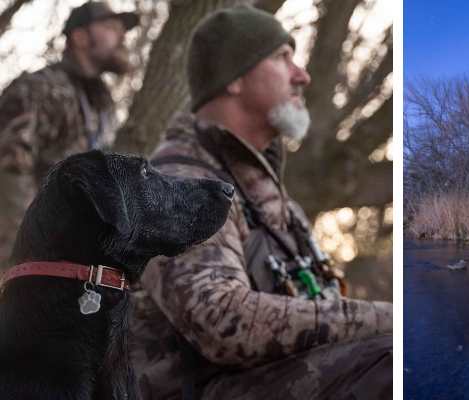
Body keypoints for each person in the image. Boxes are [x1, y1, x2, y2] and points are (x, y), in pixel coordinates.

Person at [129, 6, 391, 399]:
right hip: (208, 390)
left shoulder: (268, 195)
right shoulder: (178, 185)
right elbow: (224, 322)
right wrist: (388, 318)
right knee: (389, 359)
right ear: (233, 77)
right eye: (282, 58)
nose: (302, 75)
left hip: (272, 380)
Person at [0, 1, 137, 270]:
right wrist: (32, 252)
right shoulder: (42, 88)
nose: (123, 37)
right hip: (25, 262)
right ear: (80, 37)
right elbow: (9, 170)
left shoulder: (102, 104)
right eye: (111, 27)